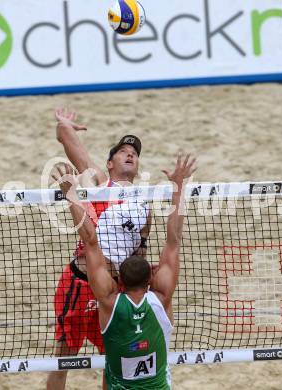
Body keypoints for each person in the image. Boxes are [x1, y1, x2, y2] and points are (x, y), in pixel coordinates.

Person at [53, 152, 196, 389]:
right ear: (152, 276)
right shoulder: (161, 299)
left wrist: (71, 195)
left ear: (119, 281)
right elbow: (174, 240)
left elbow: (90, 241)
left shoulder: (109, 301)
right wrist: (179, 188)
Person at [47, 109, 151, 390]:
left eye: (135, 152)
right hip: (80, 285)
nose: (130, 154)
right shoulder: (98, 183)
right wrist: (64, 125)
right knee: (64, 358)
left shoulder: (144, 204)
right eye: (123, 151)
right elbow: (67, 140)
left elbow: (139, 256)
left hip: (114, 290)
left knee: (113, 359)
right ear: (109, 162)